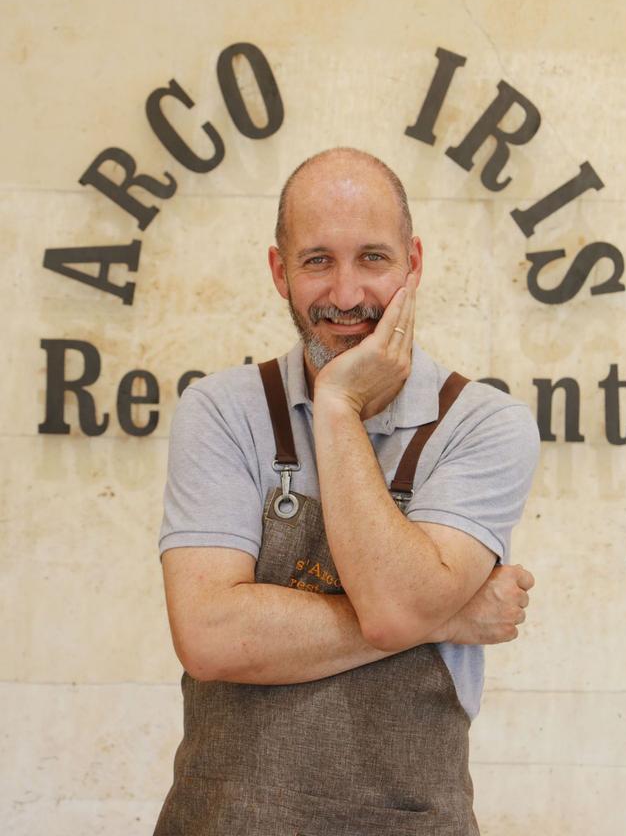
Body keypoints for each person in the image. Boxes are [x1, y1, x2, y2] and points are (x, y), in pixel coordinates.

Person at [153, 147, 540, 836]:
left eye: (373, 258)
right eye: (316, 261)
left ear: (414, 263)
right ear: (279, 271)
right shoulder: (221, 410)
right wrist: (444, 615)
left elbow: (393, 608)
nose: (346, 294)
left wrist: (335, 409)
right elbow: (210, 637)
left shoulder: (485, 425)